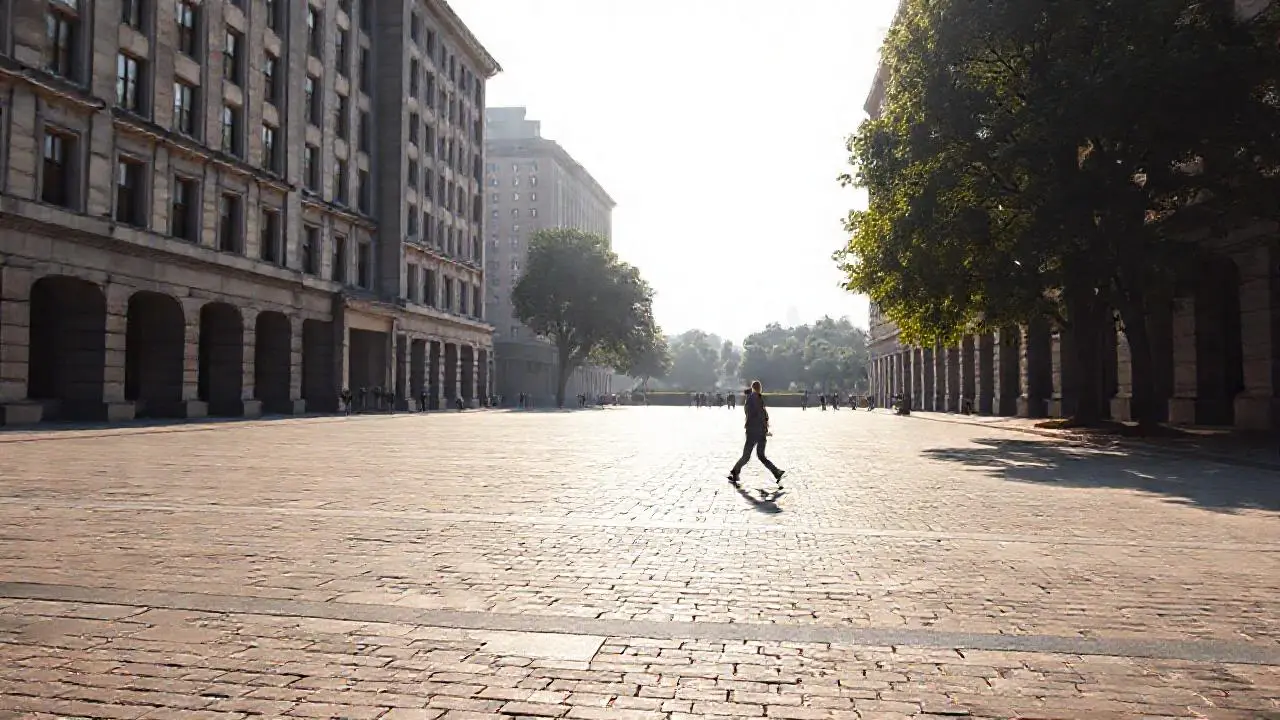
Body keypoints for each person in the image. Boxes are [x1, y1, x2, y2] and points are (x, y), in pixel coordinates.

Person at [728, 380, 785, 485]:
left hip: (753, 431)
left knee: (747, 456)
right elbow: (762, 415)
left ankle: (735, 472)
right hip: (758, 432)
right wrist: (765, 428)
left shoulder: (752, 398)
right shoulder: (757, 398)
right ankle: (776, 472)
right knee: (760, 456)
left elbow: (753, 414)